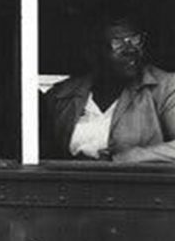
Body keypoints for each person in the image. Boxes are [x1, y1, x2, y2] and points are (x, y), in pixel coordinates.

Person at [41, 10, 175, 162]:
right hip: (72, 184)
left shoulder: (165, 88)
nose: (131, 50)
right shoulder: (62, 95)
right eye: (117, 43)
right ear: (92, 52)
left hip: (136, 185)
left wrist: (128, 157)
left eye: (135, 39)